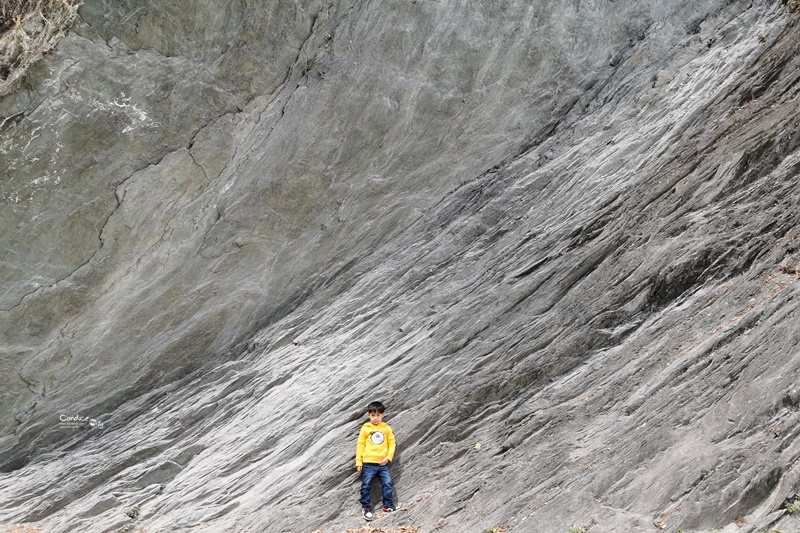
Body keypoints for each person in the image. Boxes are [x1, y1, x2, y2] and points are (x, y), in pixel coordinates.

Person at [355, 400, 396, 521]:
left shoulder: (386, 428)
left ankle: (387, 505)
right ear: (369, 415)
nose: (375, 418)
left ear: (383, 415)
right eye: (373, 415)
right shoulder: (366, 428)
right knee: (366, 485)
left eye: (378, 415)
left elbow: (392, 443)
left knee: (387, 483)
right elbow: (360, 445)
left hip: (383, 463)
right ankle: (366, 507)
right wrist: (359, 462)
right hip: (368, 463)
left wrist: (388, 458)